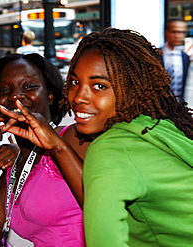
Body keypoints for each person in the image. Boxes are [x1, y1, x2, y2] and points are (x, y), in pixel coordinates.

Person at [63, 27, 193, 246]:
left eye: (99, 86)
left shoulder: (111, 149)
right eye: (75, 82)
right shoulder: (159, 127)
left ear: (132, 89)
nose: (78, 97)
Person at [0, 53, 85, 246]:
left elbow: (106, 207)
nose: (15, 95)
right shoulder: (16, 164)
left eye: (29, 86)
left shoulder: (73, 138)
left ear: (50, 94)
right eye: (4, 90)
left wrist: (58, 147)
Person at [160, 17, 191, 98]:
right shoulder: (156, 55)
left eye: (182, 32)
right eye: (174, 32)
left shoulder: (185, 57)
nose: (178, 36)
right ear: (166, 33)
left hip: (178, 105)